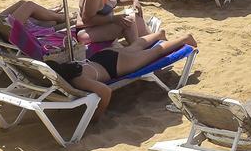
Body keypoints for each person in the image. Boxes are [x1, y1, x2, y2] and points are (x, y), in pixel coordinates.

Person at [46, 32, 197, 120]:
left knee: (154, 53)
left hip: (114, 67)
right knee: (134, 47)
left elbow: (106, 91)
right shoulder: (69, 67)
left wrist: (98, 114)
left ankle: (185, 39)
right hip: (101, 56)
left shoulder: (78, 80)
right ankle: (159, 34)